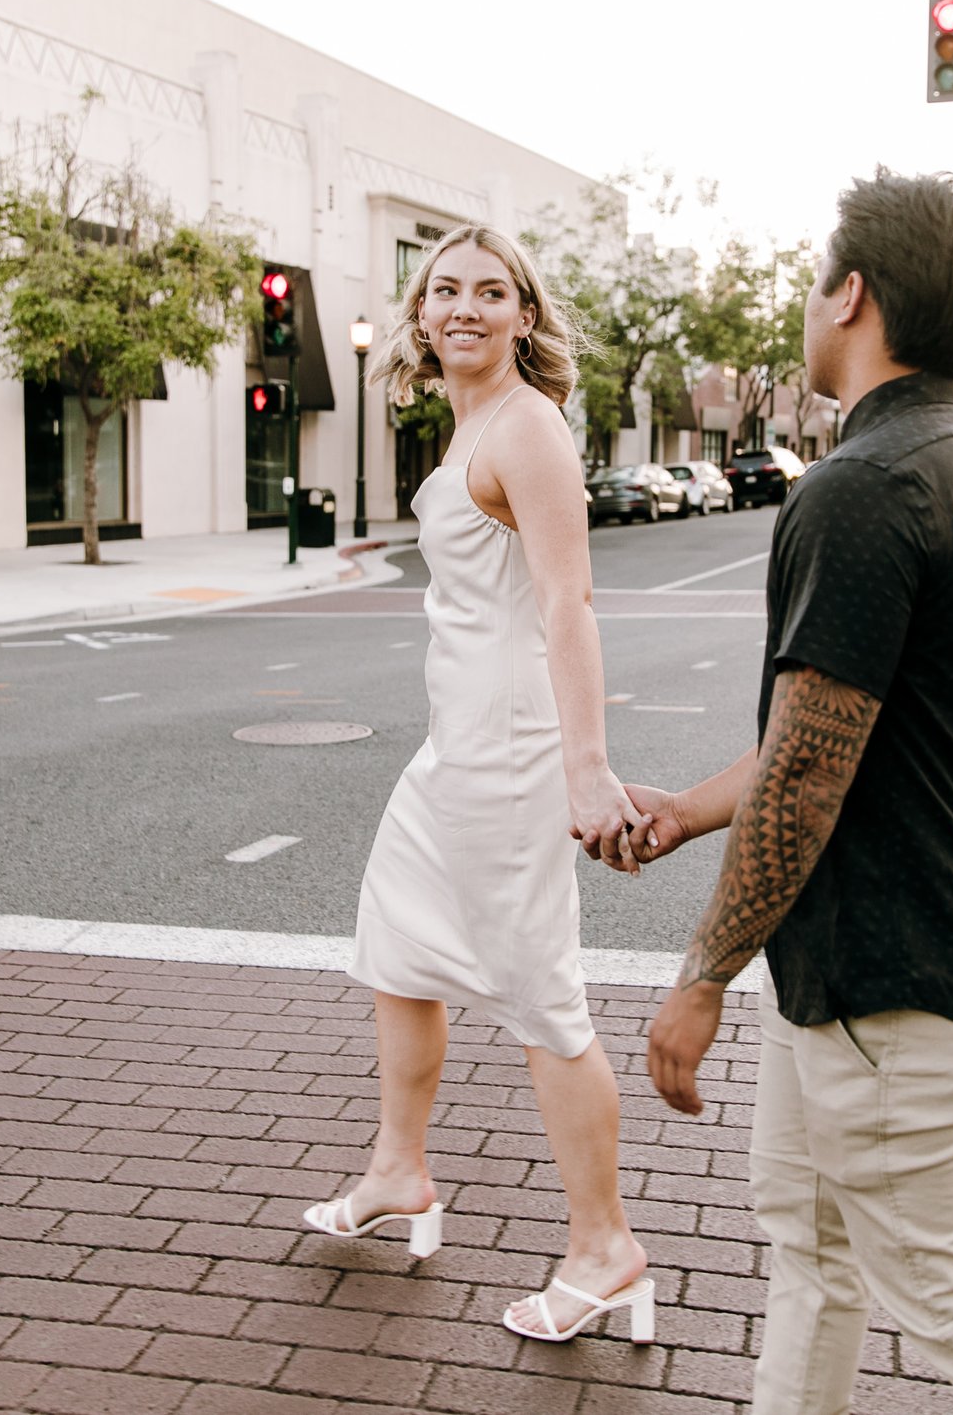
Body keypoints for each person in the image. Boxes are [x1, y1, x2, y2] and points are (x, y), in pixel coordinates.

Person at [612, 170, 953, 1414]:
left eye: (812, 275)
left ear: (852, 292)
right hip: (857, 967)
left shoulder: (866, 486)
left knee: (951, 1294)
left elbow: (805, 772)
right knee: (811, 1245)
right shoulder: (945, 457)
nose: (805, 297)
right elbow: (828, 734)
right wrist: (683, 808)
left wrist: (696, 981)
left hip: (892, 977)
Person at [302, 224, 656, 1347]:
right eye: (444, 289)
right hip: (449, 746)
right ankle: (398, 1168)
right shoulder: (469, 427)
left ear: (523, 315)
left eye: (489, 292)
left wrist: (585, 763)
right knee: (396, 950)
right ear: (419, 314)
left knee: (541, 999)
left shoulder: (529, 427)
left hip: (510, 749)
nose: (464, 306)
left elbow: (568, 602)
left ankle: (604, 1248)